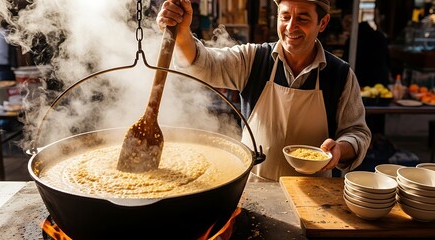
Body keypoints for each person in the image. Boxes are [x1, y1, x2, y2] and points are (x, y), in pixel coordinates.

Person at [156, 0, 371, 181]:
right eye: (285, 17)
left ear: (322, 23)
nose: (290, 27)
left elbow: (357, 133)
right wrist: (183, 32)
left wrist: (340, 149)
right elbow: (204, 64)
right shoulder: (253, 59)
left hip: (315, 195)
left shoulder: (340, 74)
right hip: (254, 189)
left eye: (303, 19)